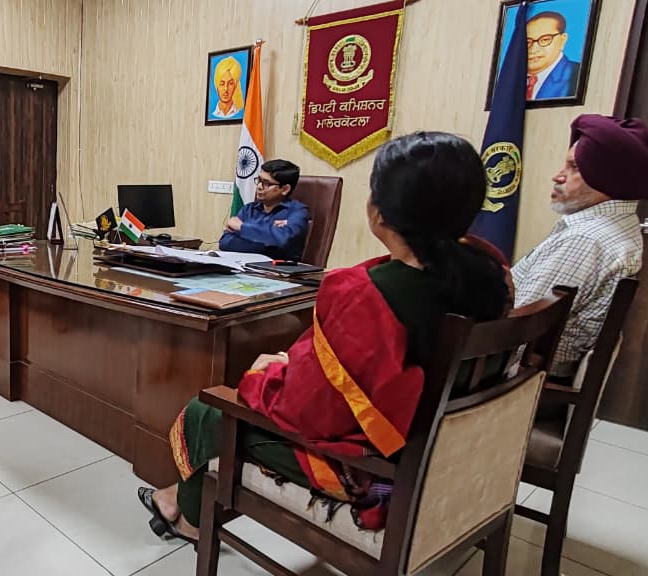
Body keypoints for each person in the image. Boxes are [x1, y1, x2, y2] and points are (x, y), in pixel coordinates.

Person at [138, 132, 510, 543]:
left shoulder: (366, 294)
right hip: (443, 445)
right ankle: (174, 497)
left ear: (379, 212)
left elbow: (309, 413)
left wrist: (270, 375)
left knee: (207, 410)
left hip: (372, 468)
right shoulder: (491, 271)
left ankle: (189, 520)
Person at [512, 114, 648, 378]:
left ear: (607, 178)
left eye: (574, 167)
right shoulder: (619, 225)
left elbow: (514, 332)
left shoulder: (586, 239)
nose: (558, 176)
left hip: (518, 378)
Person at [219, 159, 310, 261]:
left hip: (277, 269)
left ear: (285, 189)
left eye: (266, 183)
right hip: (243, 266)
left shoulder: (297, 211)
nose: (259, 186)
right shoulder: (249, 209)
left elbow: (283, 240)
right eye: (259, 180)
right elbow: (225, 242)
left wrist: (242, 228)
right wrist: (267, 240)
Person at [525, 11, 581, 100]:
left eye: (545, 40)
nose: (533, 50)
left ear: (562, 40)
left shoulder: (577, 76)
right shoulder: (509, 80)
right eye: (528, 42)